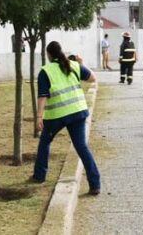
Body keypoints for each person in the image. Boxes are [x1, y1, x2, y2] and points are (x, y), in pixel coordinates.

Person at [32, 41, 101, 195]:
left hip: (57, 116)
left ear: (49, 55)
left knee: (44, 142)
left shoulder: (46, 71)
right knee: (81, 147)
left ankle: (39, 176)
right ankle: (95, 184)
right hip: (77, 112)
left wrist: (38, 117)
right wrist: (82, 63)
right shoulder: (73, 65)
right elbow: (92, 78)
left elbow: (42, 96)